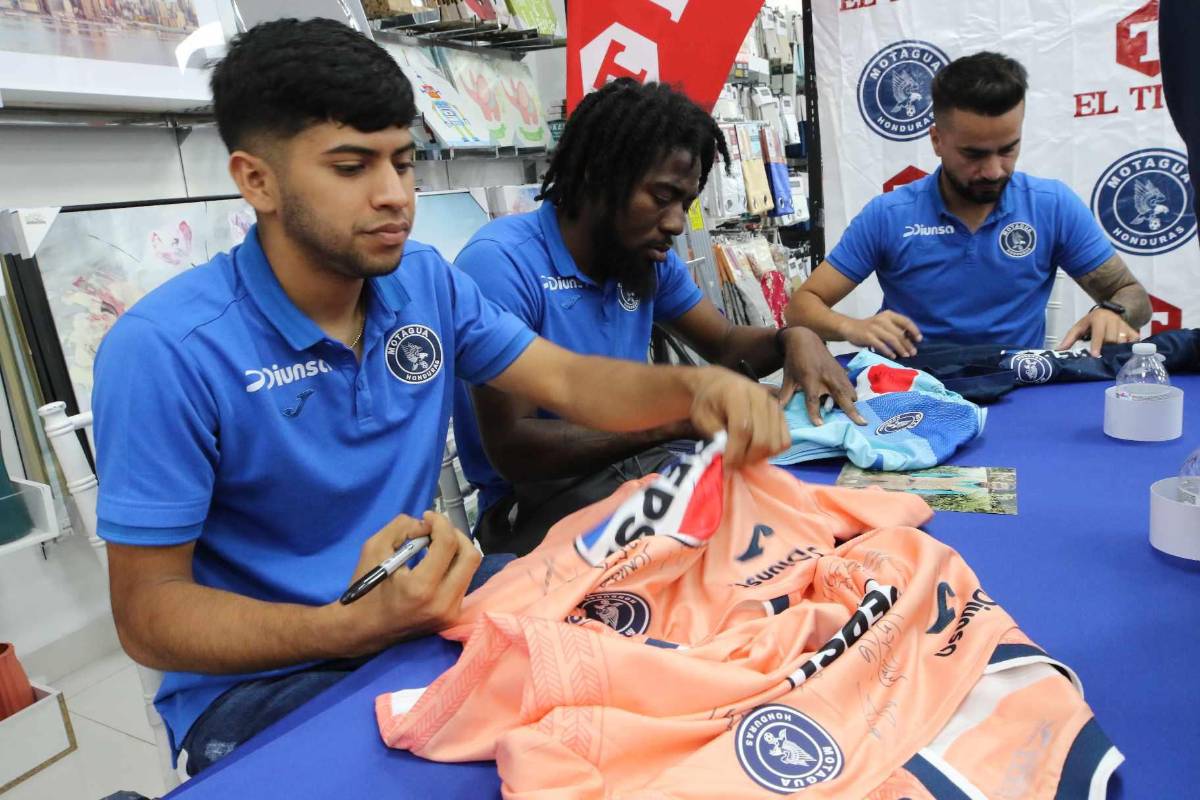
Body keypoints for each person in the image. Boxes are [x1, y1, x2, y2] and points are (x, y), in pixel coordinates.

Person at [90, 19, 789, 776]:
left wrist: (700, 385)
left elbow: (568, 380)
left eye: (403, 161)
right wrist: (346, 625)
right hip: (267, 678)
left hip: (423, 606)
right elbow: (148, 615)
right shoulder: (166, 351)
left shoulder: (423, 282)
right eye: (352, 167)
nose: (394, 196)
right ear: (255, 179)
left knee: (668, 672)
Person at [452, 78, 862, 556]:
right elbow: (513, 448)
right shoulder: (502, 263)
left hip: (638, 468)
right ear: (595, 174)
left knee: (811, 524)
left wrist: (793, 339)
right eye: (662, 196)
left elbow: (726, 342)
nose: (674, 223)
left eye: (684, 204)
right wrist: (674, 415)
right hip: (539, 507)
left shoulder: (644, 258)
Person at [787, 52, 1151, 359]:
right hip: (909, 394)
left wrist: (1113, 311)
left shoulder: (1052, 207)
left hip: (1015, 392)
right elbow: (801, 307)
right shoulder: (890, 215)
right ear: (936, 140)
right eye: (973, 154)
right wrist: (854, 327)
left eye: (1008, 149)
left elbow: (1132, 296)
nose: (993, 171)